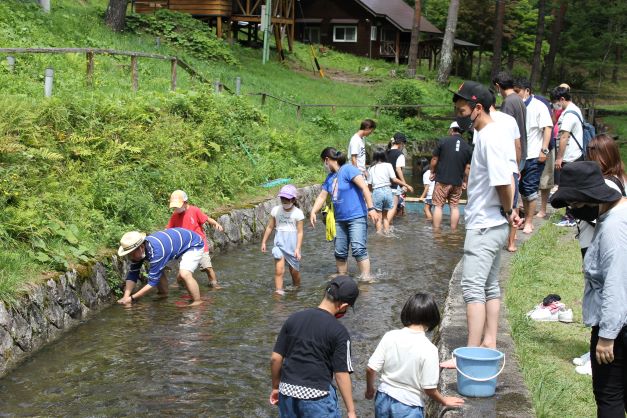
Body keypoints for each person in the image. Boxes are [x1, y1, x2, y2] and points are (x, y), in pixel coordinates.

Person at [441, 81, 522, 368]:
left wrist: (509, 209)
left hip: (485, 225)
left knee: (472, 287)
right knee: (489, 286)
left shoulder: (489, 137)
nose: (460, 115)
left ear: (477, 108)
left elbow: (503, 181)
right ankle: (489, 341)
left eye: (462, 110)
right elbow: (508, 177)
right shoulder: (490, 135)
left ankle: (471, 351)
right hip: (492, 222)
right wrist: (508, 212)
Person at [549, 161, 627, 417]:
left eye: (577, 205)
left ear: (590, 198)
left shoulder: (614, 228)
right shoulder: (615, 215)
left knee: (609, 396)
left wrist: (607, 336)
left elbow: (617, 283)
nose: (575, 211)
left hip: (618, 329)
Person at [269, 275, 360, 418]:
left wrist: (276, 387)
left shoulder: (294, 318)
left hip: (287, 391)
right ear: (343, 306)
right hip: (317, 397)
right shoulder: (339, 332)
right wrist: (351, 411)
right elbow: (341, 374)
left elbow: (275, 358)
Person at [366, 293, 464, 416]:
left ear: (407, 312)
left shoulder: (390, 336)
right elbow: (429, 388)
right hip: (408, 405)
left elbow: (370, 369)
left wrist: (370, 390)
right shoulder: (429, 349)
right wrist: (444, 400)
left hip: (383, 398)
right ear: (433, 318)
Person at [310, 147, 380, 279]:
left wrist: (371, 209)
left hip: (356, 216)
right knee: (340, 251)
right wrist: (313, 211)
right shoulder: (330, 178)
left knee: (358, 249)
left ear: (327, 160)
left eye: (323, 162)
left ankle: (366, 278)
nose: (324, 166)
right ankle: (342, 276)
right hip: (340, 220)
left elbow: (364, 188)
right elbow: (322, 196)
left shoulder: (348, 169)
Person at [117, 228, 205, 306]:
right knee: (158, 270)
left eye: (132, 254)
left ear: (142, 247)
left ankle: (197, 301)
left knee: (184, 274)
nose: (131, 257)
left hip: (193, 243)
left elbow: (152, 283)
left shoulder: (157, 253)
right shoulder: (140, 250)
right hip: (178, 242)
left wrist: (132, 298)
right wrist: (126, 297)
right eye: (129, 254)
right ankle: (164, 294)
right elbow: (133, 274)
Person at [574, 134, 627, 258]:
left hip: (598, 243)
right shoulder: (621, 178)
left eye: (592, 157)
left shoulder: (606, 184)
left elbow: (595, 216)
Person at [514, 78, 553, 233]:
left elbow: (548, 128)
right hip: (519, 156)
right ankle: (524, 218)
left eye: (518, 92)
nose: (516, 95)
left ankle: (529, 222)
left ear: (527, 91)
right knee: (522, 189)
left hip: (533, 155)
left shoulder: (539, 106)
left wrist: (543, 150)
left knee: (530, 189)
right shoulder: (516, 106)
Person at [167, 189, 224, 288]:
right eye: (174, 207)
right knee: (183, 271)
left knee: (207, 268)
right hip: (185, 247)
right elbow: (168, 230)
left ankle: (214, 284)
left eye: (178, 206)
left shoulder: (194, 210)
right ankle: (178, 283)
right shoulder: (174, 216)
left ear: (185, 203)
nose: (176, 209)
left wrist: (216, 223)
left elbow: (206, 218)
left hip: (199, 245)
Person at [488, 93, 522, 252]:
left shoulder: (482, 121)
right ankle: (511, 243)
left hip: (492, 169)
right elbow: (518, 146)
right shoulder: (510, 120)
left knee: (493, 206)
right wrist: (517, 166)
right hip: (511, 168)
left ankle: (492, 242)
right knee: (512, 206)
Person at [261, 184, 304, 295]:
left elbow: (300, 233)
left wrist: (298, 249)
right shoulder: (276, 210)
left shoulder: (298, 213)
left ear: (293, 200)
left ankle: (297, 287)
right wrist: (264, 242)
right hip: (279, 244)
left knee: (294, 272)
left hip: (292, 246)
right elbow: (270, 227)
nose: (284, 201)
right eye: (282, 199)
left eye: (287, 199)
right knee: (279, 270)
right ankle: (279, 291)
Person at [551, 85, 584, 227]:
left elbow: (564, 137)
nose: (555, 105)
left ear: (562, 99)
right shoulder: (575, 109)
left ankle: (570, 216)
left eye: (556, 102)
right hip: (575, 155)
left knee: (568, 187)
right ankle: (572, 214)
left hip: (570, 157)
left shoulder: (570, 114)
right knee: (573, 186)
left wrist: (559, 158)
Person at [429, 121, 472, 230]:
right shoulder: (467, 147)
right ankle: (453, 232)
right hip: (457, 182)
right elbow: (467, 168)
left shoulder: (443, 141)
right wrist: (465, 181)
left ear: (452, 130)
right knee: (454, 207)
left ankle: (436, 231)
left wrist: (432, 171)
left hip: (442, 180)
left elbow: (434, 159)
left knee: (438, 206)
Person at [367, 147, 414, 234]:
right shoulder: (388, 165)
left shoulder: (371, 169)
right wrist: (406, 185)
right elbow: (395, 179)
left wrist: (366, 196)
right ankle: (387, 234)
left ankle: (379, 236)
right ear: (384, 156)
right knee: (385, 217)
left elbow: (369, 186)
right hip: (388, 191)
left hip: (377, 192)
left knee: (378, 216)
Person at [493, 71, 527, 167]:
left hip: (513, 153)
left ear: (498, 86)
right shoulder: (519, 99)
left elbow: (505, 131)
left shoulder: (508, 102)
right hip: (522, 150)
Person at [386, 132, 411, 222]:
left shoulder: (386, 152)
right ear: (401, 143)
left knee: (386, 210)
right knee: (392, 208)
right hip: (394, 185)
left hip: (384, 184)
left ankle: (387, 227)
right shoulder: (399, 154)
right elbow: (398, 170)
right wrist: (404, 184)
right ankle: (385, 228)